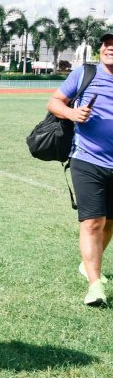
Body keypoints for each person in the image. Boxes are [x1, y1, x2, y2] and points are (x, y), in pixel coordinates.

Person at [48, 30, 113, 306]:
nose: (110, 48)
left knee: (110, 222)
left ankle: (88, 264)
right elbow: (54, 102)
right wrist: (72, 113)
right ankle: (95, 286)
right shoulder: (85, 73)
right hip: (87, 159)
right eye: (107, 44)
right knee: (93, 221)